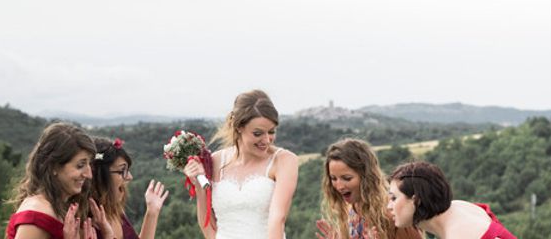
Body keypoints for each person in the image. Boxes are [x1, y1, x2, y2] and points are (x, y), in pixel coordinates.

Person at [183, 89, 299, 239]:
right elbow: (208, 225)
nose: (267, 140)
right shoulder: (215, 160)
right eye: (258, 133)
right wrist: (198, 183)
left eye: (271, 132)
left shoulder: (284, 160)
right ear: (238, 127)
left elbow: (278, 219)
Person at [5, 122, 107, 239]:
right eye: (80, 165)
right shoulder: (36, 217)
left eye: (89, 164)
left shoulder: (62, 207)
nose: (89, 174)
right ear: (54, 166)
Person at [316, 138, 422, 239]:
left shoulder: (392, 213)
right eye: (333, 178)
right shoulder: (349, 209)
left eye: (347, 178)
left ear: (366, 177)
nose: (339, 186)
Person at [387, 161, 516, 239]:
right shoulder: (457, 207)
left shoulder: (459, 234)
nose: (389, 206)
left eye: (394, 198)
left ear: (417, 200)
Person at [89, 137, 169, 239]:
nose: (129, 177)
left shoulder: (116, 211)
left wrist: (152, 211)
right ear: (100, 176)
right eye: (122, 170)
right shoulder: (86, 223)